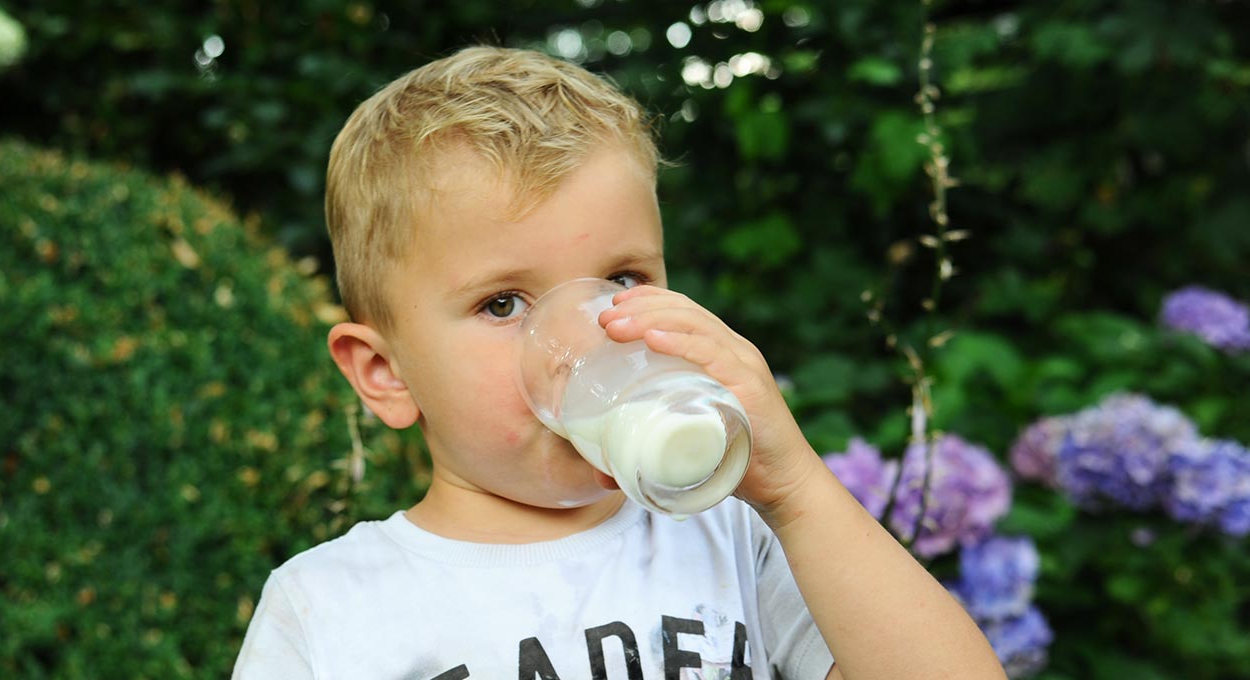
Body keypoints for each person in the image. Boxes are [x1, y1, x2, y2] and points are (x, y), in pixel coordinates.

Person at [231, 45, 1005, 679]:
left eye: (622, 282)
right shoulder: (330, 608)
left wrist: (797, 491)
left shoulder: (736, 541)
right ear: (385, 373)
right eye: (504, 304)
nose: (589, 339)